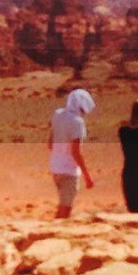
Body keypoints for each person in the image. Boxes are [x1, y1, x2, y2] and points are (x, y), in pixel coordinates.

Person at [48, 88, 95, 219]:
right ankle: (54, 233)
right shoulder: (77, 122)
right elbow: (75, 152)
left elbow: (50, 144)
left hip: (55, 167)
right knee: (65, 207)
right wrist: (87, 176)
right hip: (68, 170)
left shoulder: (58, 114)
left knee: (63, 203)